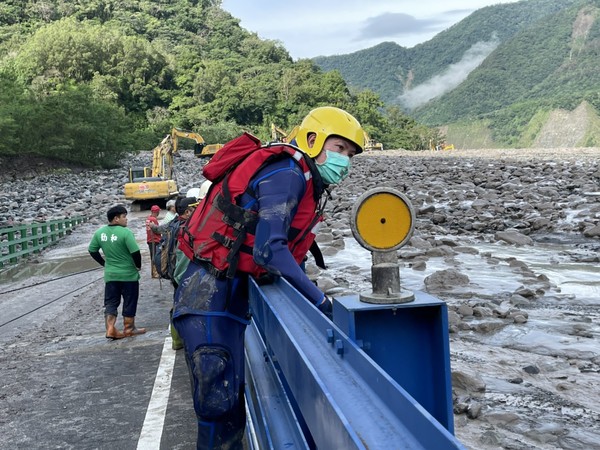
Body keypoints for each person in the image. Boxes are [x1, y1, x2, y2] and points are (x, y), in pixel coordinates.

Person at [172, 106, 364, 449]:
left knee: (227, 404)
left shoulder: (301, 175)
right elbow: (269, 251)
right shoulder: (288, 174)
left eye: (350, 154)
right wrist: (320, 301)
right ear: (312, 139)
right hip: (209, 299)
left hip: (222, 294)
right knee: (218, 406)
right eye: (338, 149)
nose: (345, 160)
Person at [88, 205, 146, 339]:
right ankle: (129, 328)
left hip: (111, 275)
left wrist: (104, 263)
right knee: (130, 300)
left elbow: (92, 250)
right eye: (124, 217)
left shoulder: (99, 233)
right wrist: (138, 266)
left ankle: (110, 329)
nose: (126, 219)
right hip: (128, 275)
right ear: (116, 219)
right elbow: (135, 252)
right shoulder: (126, 233)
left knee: (111, 302)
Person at [146, 205, 162, 278]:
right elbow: (157, 230)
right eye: (158, 212)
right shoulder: (154, 220)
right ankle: (155, 273)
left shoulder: (148, 218)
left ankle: (154, 272)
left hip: (150, 240)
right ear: (156, 212)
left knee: (153, 256)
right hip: (154, 240)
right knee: (155, 257)